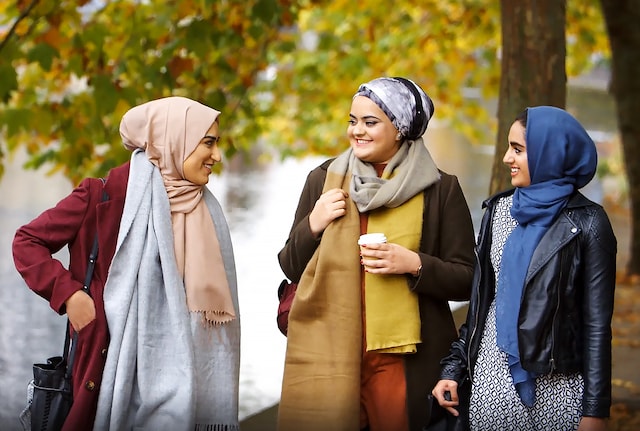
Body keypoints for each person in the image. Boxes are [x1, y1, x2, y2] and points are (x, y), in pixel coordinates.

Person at [12, 96, 241, 431]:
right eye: (208, 143)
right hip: (105, 373)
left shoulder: (207, 213)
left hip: (191, 385)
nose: (217, 156)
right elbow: (27, 242)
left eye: (217, 143)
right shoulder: (100, 197)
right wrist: (71, 296)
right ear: (174, 141)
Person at [276, 76, 476, 431]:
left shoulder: (441, 189)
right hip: (331, 353)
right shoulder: (323, 179)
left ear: (400, 129)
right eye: (353, 121)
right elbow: (290, 264)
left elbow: (468, 279)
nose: (357, 132)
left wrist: (414, 264)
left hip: (403, 360)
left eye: (370, 122)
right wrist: (315, 223)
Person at [432, 106, 617, 431]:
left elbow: (597, 325)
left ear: (550, 153)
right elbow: (481, 307)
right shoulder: (498, 212)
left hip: (558, 388)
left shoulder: (589, 223)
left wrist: (596, 410)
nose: (506, 158)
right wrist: (453, 369)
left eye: (517, 149)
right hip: (490, 380)